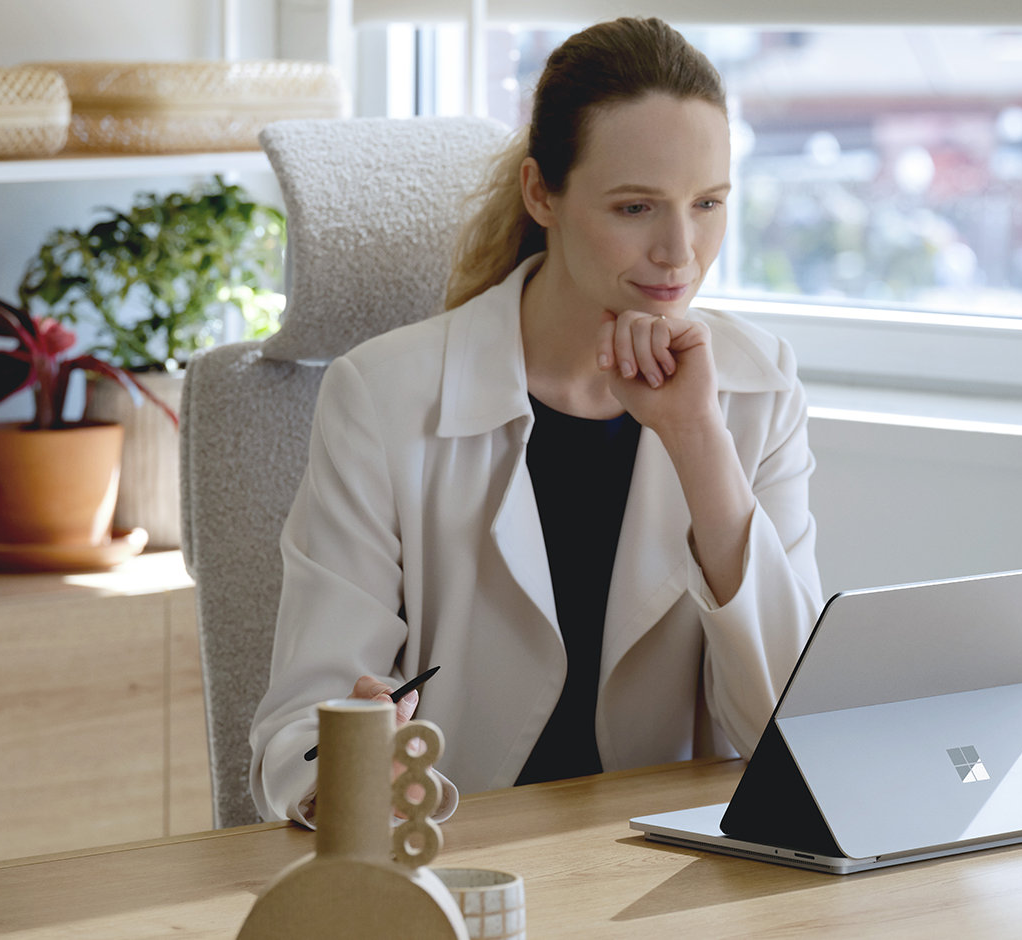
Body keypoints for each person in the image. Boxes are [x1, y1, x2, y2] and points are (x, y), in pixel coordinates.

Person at [249, 16, 823, 826]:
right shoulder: (381, 397)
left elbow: (794, 734)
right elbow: (298, 735)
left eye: (708, 204)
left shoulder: (757, 389)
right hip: (467, 864)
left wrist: (699, 442)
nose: (680, 251)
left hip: (672, 880)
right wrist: (355, 759)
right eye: (635, 207)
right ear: (541, 193)